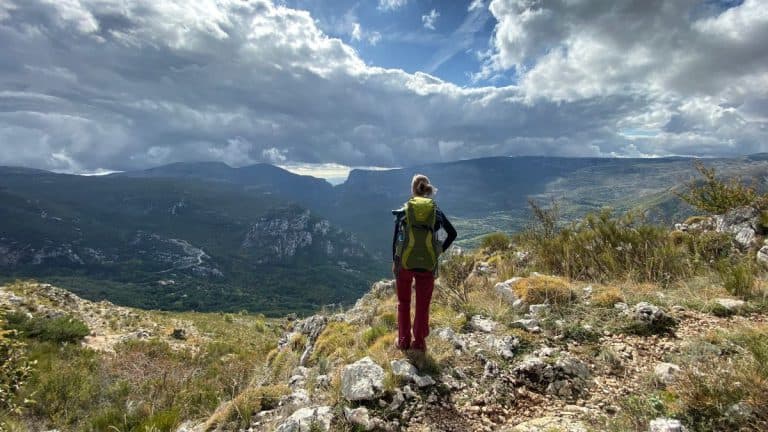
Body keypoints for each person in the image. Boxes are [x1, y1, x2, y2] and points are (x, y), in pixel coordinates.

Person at [391, 174, 457, 352]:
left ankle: (403, 341)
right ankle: (419, 342)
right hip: (427, 264)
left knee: (403, 302)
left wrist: (395, 261)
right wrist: (438, 252)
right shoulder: (435, 212)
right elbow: (452, 234)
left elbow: (397, 239)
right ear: (426, 189)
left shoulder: (405, 210)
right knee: (422, 304)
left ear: (412, 190)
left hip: (405, 263)